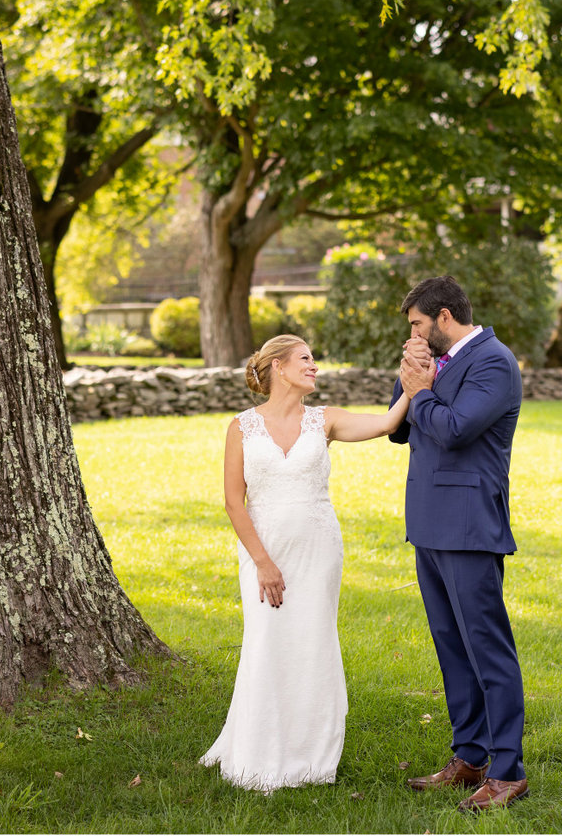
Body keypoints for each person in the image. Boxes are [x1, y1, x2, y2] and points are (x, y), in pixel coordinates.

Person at [200, 334, 412, 793]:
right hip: (264, 552)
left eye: (314, 359)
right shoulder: (242, 427)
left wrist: (412, 385)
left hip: (318, 549)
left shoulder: (325, 421)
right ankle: (257, 753)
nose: (315, 366)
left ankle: (313, 759)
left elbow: (388, 423)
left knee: (312, 641)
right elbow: (234, 502)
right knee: (267, 640)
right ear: (278, 366)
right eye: (305, 359)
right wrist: (263, 562)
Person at [389, 276, 529, 812]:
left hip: (469, 524)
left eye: (418, 325)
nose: (414, 335)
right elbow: (400, 429)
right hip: (427, 522)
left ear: (444, 316)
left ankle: (508, 770)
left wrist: (422, 390)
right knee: (452, 648)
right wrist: (410, 378)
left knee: (486, 649)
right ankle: (469, 756)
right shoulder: (431, 363)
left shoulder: (494, 362)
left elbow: (453, 430)